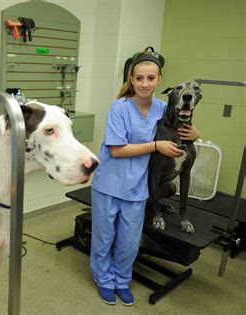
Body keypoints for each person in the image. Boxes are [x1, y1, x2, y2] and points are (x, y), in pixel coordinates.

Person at [89, 49, 200, 306]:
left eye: (151, 78)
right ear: (132, 79)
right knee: (104, 238)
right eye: (139, 78)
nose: (145, 84)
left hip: (138, 187)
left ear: (160, 79)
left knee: (128, 241)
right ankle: (104, 280)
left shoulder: (163, 107)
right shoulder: (119, 108)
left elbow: (186, 123)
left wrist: (195, 134)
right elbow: (117, 151)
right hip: (109, 184)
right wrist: (156, 145)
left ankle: (121, 280)